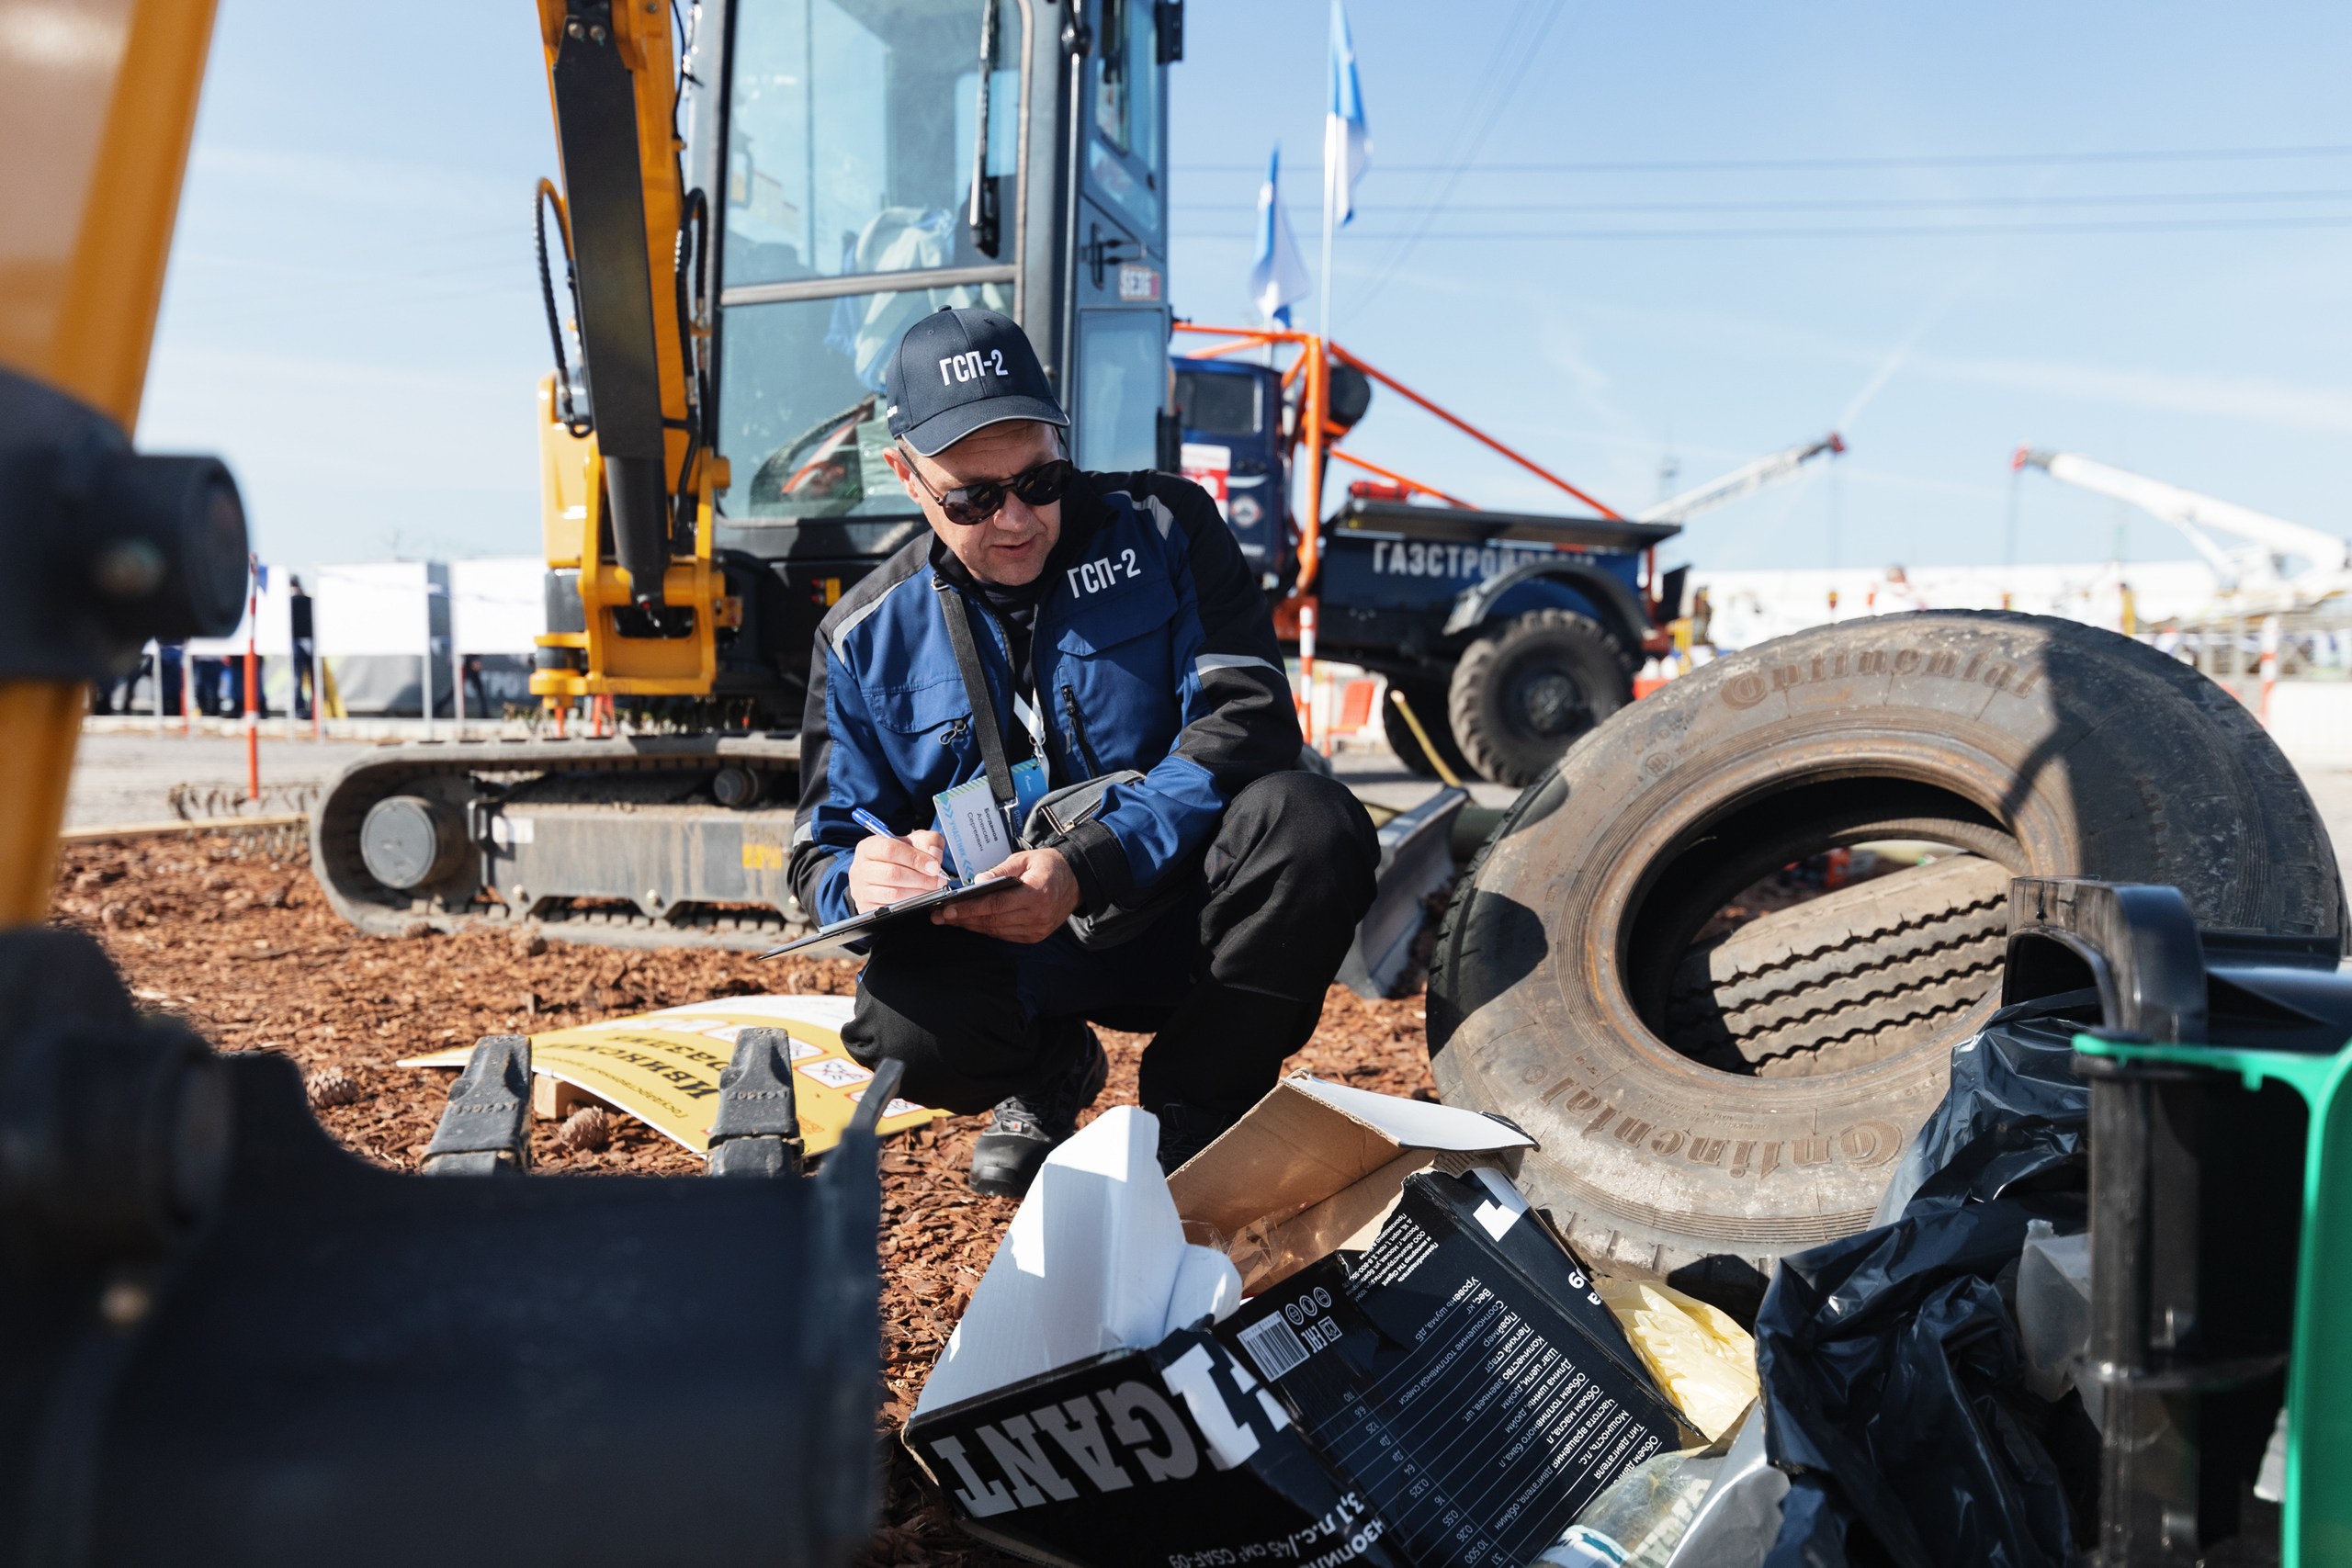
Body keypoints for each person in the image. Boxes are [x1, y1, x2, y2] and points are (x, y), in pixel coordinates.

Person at [789, 307, 1380, 1198]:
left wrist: (1087, 863)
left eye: (1041, 478)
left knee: (1311, 823)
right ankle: (1048, 1071)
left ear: (1064, 442)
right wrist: (860, 878)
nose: (1018, 519)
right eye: (973, 498)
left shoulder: (1167, 524)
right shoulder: (861, 636)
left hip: (1184, 915)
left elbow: (1243, 723)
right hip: (1014, 951)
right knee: (905, 1034)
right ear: (905, 475)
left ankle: (1197, 1115)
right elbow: (821, 843)